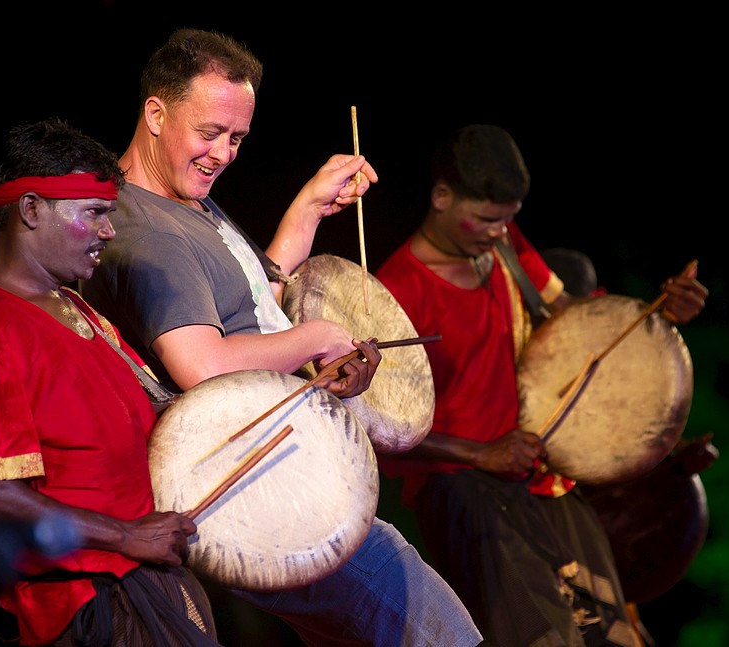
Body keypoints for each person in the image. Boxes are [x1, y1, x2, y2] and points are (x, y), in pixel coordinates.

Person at [80, 28, 483, 647]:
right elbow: (204, 363)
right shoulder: (148, 233)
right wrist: (316, 337)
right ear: (155, 113)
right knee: (442, 634)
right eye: (209, 132)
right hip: (259, 488)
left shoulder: (184, 202)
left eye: (237, 137)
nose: (224, 153)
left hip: (282, 471)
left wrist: (308, 208)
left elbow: (256, 307)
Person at [374, 124, 709, 647]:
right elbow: (381, 427)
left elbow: (570, 318)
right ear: (441, 197)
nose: (497, 231)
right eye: (486, 218)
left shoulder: (504, 244)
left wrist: (656, 315)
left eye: (508, 219)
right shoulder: (396, 289)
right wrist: (482, 454)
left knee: (616, 637)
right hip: (463, 491)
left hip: (539, 477)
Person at [0, 118, 222, 647]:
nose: (109, 231)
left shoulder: (70, 305)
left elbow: (158, 408)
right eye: (94, 214)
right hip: (90, 598)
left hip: (138, 573)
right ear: (32, 209)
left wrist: (304, 392)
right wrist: (126, 535)